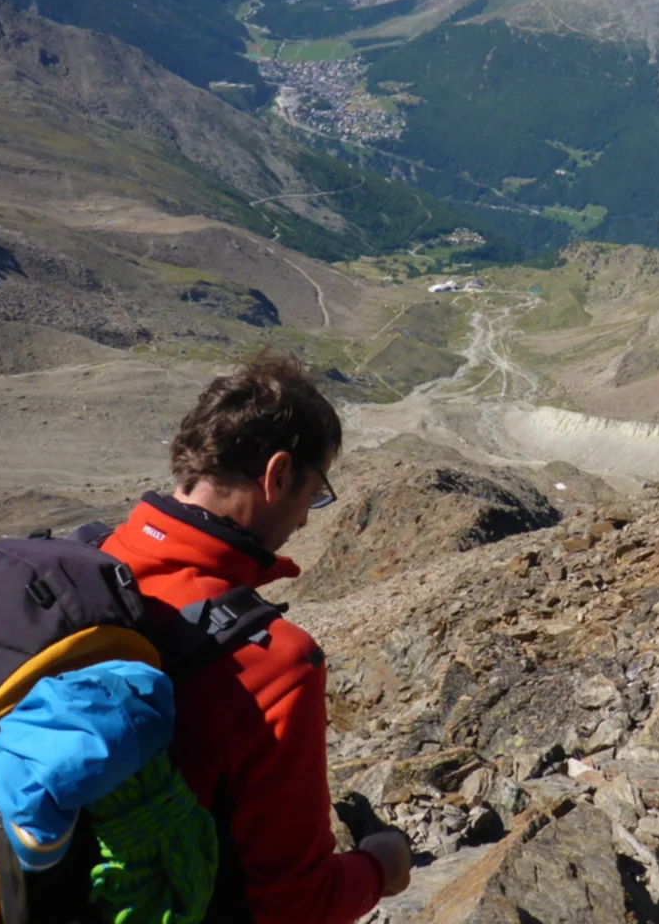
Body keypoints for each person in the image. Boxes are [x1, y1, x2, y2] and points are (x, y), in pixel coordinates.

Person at [103, 352, 413, 924]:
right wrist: (383, 865)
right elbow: (298, 903)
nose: (306, 519)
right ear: (278, 475)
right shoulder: (276, 663)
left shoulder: (88, 565)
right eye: (313, 492)